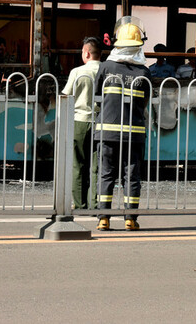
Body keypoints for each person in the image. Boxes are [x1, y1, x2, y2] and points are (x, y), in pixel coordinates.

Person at [93, 17, 152, 231]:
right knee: (132, 177)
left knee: (106, 174)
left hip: (107, 132)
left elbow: (97, 95)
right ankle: (130, 219)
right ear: (138, 46)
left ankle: (103, 218)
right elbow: (145, 101)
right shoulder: (144, 73)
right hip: (133, 134)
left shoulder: (106, 67)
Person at [61, 37, 102, 210]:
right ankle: (94, 204)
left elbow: (66, 95)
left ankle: (79, 204)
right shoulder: (106, 70)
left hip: (79, 121)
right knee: (96, 166)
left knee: (77, 165)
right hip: (100, 122)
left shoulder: (77, 72)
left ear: (86, 53)